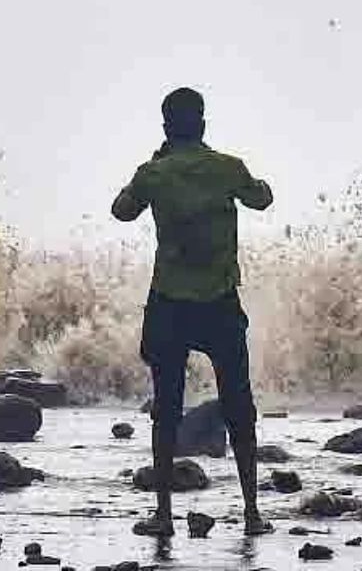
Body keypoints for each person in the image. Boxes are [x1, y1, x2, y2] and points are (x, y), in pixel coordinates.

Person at [112, 87, 275, 537]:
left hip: (170, 303)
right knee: (240, 407)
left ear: (166, 127)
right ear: (202, 124)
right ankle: (252, 513)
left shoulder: (154, 173)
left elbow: (121, 211)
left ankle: (163, 515)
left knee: (166, 409)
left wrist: (153, 164)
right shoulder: (228, 168)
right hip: (220, 303)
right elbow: (263, 198)